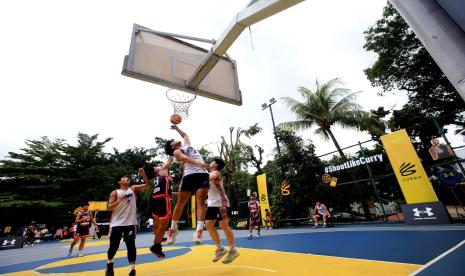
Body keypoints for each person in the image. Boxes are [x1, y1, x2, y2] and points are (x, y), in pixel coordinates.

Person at [164, 125, 210, 244]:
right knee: (181, 202)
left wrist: (177, 128)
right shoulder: (176, 151)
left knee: (200, 201)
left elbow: (185, 135)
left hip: (202, 174)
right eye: (172, 141)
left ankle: (199, 230)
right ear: (172, 146)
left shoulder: (186, 145)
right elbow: (184, 158)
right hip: (190, 175)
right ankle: (173, 229)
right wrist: (200, 163)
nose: (175, 139)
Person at [105, 168, 152, 276]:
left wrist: (143, 175)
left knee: (131, 246)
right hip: (117, 223)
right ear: (119, 182)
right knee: (113, 247)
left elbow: (148, 185)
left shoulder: (133, 188)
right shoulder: (115, 193)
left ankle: (132, 269)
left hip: (130, 223)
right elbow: (109, 207)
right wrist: (119, 200)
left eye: (127, 178)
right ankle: (109, 263)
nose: (127, 178)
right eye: (124, 178)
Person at [205, 158, 240, 264]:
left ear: (215, 165)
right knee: (208, 225)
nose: (210, 163)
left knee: (224, 225)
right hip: (212, 204)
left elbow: (211, 177)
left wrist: (199, 169)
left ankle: (233, 250)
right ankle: (220, 249)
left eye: (212, 162)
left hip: (221, 203)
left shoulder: (216, 174)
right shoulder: (209, 173)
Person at [149, 156, 174, 258]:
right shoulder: (162, 172)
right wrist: (172, 150)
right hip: (162, 199)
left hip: (155, 199)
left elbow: (169, 191)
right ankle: (156, 246)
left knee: (158, 221)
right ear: (156, 170)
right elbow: (169, 161)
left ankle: (158, 237)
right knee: (164, 223)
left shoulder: (158, 178)